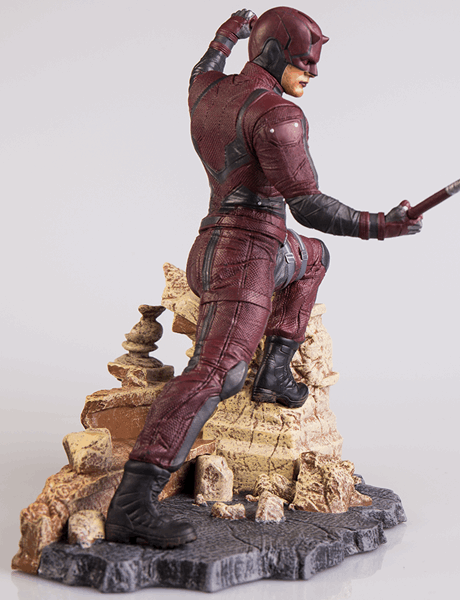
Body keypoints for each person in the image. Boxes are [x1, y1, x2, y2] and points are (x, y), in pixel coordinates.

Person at [104, 7, 422, 548]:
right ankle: (132, 503)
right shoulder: (278, 115)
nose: (312, 73)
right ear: (274, 55)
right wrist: (379, 225)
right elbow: (308, 203)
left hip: (214, 247)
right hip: (246, 261)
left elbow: (203, 65)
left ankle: (274, 371)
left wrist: (228, 33)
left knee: (314, 258)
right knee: (216, 373)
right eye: (303, 61)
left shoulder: (206, 92)